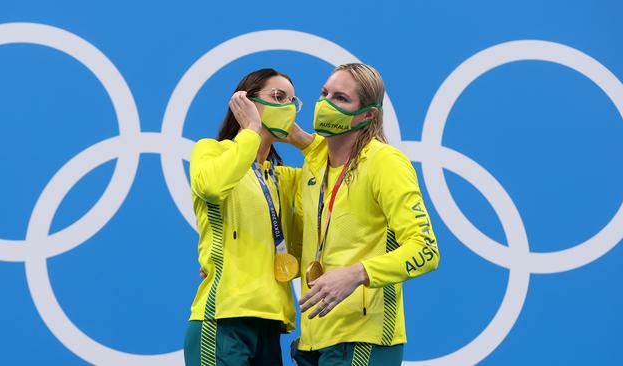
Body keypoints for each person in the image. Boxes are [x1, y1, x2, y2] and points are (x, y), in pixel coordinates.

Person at [290, 63, 441, 365]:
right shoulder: (314, 167)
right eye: (323, 93)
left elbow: (426, 250)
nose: (324, 104)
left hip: (364, 337)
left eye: (340, 99)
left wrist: (358, 274)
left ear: (368, 114)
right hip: (314, 339)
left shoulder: (385, 162)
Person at [184, 68, 313, 366]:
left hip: (271, 321)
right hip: (223, 317)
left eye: (293, 101)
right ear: (247, 103)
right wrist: (251, 133)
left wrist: (304, 141)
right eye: (278, 97)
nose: (287, 107)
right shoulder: (211, 151)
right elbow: (214, 187)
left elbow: (338, 173)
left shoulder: (284, 178)